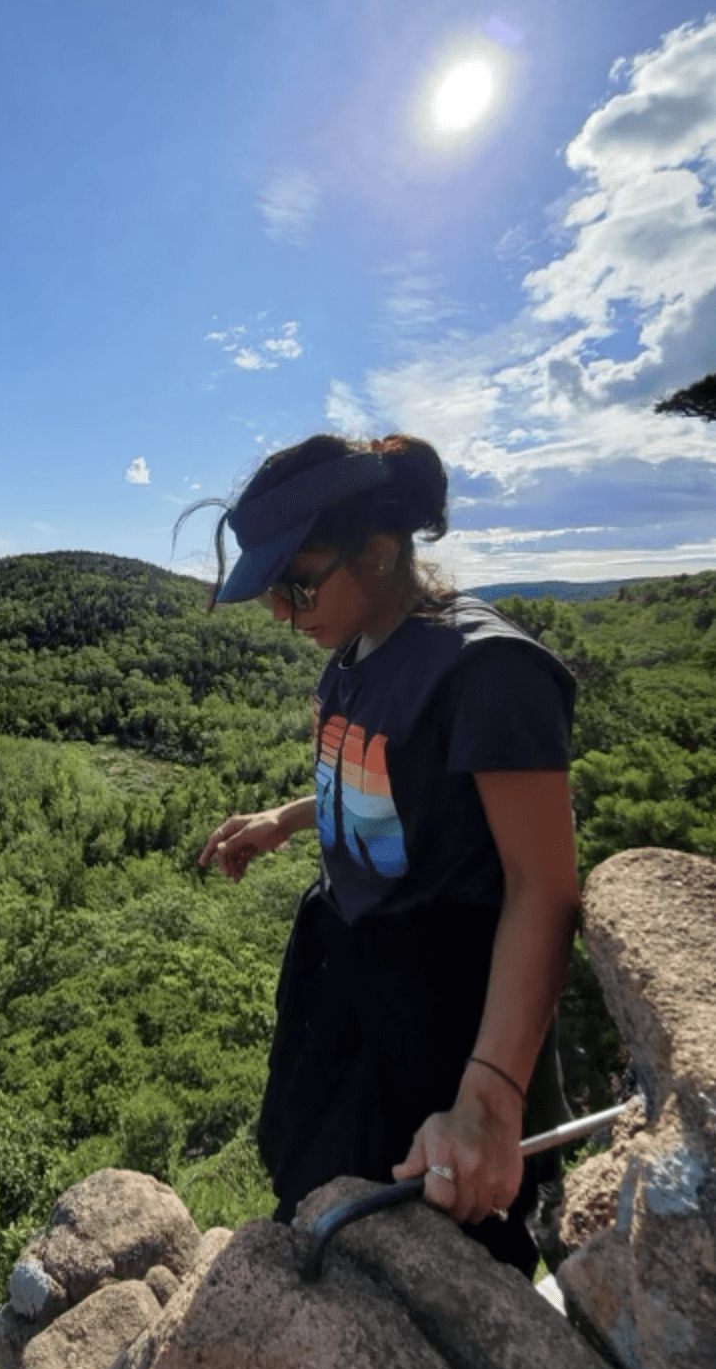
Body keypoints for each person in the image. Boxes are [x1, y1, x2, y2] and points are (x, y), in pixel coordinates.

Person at [192, 432, 580, 1275]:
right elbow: (386, 787)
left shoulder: (489, 673)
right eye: (273, 595)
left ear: (378, 548)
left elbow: (543, 888)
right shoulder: (355, 649)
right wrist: (286, 820)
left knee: (444, 1249)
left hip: (444, 1018)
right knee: (314, 1193)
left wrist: (488, 1097)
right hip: (349, 977)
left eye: (298, 583)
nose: (288, 616)